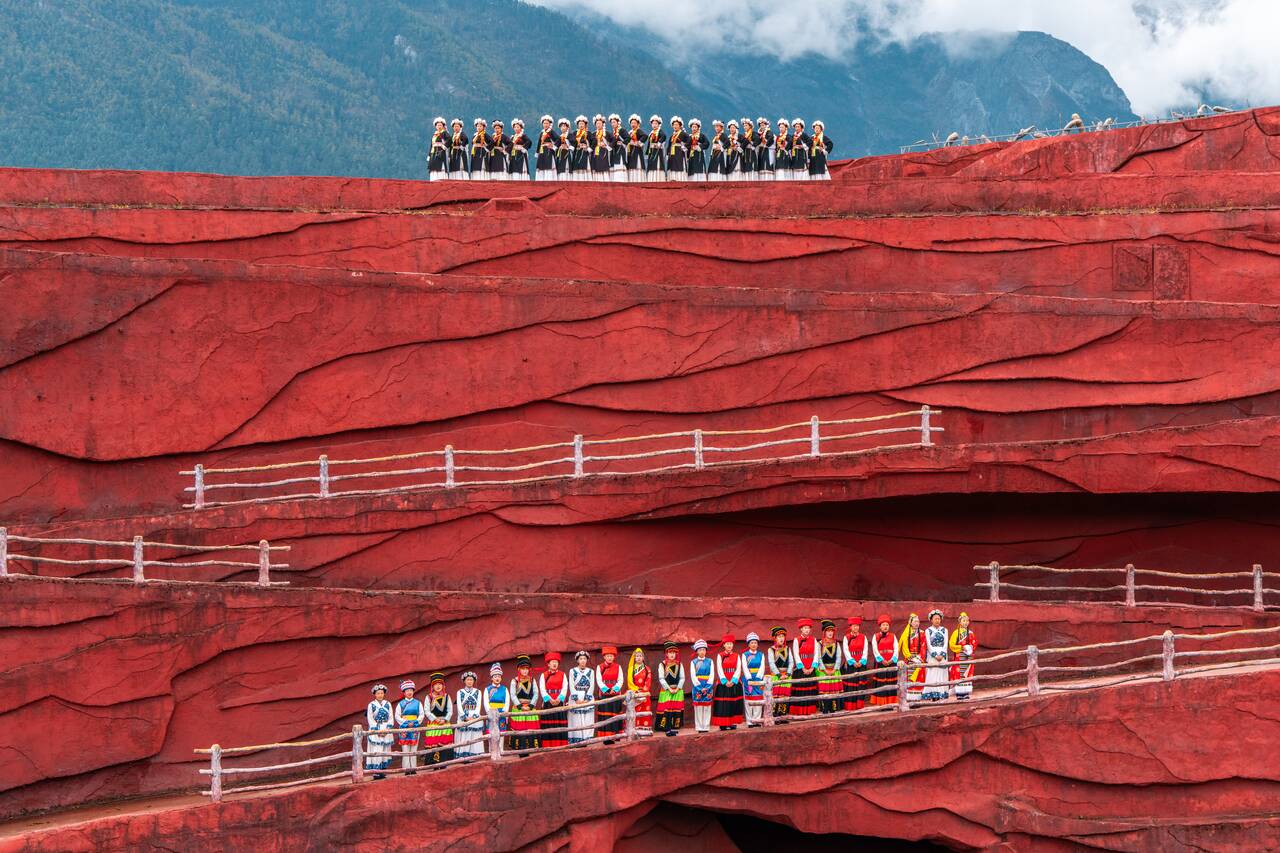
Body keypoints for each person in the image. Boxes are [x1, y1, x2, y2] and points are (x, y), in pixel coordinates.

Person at [712, 634, 745, 730]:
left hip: (734, 683)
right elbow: (719, 669)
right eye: (727, 644)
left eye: (731, 644)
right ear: (724, 645)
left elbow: (738, 669)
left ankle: (732, 722)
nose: (729, 646)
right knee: (723, 704)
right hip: (724, 684)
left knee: (734, 703)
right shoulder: (720, 656)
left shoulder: (737, 656)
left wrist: (734, 680)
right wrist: (725, 681)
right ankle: (723, 723)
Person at [508, 655, 541, 751]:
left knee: (531, 728)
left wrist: (531, 706)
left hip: (530, 708)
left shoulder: (532, 680)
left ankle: (532, 748)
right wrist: (520, 706)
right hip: (518, 709)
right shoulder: (514, 681)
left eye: (527, 668)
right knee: (520, 729)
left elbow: (536, 693)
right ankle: (520, 749)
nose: (525, 671)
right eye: (523, 669)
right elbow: (513, 695)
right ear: (519, 669)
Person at [421, 673, 454, 765]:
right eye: (436, 684)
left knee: (444, 742)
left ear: (443, 685)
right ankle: (434, 763)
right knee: (434, 743)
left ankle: (444, 762)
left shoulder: (447, 696)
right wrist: (435, 719)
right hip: (433, 725)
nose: (438, 686)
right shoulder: (429, 697)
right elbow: (427, 711)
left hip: (445, 724)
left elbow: (450, 710)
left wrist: (445, 719)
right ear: (432, 686)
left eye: (440, 684)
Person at [539, 651, 570, 748]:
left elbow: (565, 687)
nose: (554, 663)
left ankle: (561, 745)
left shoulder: (562, 674)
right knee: (549, 725)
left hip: (559, 702)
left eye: (556, 661)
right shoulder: (543, 675)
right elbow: (542, 689)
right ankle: (548, 745)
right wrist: (549, 699)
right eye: (552, 662)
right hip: (548, 703)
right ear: (548, 664)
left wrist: (560, 699)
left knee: (559, 724)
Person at [789, 618, 819, 717]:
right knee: (801, 690)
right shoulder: (796, 640)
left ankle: (809, 710)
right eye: (805, 628)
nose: (807, 630)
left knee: (810, 690)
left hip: (811, 668)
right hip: (801, 670)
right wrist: (802, 668)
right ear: (801, 629)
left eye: (808, 628)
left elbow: (816, 654)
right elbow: (796, 654)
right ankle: (800, 710)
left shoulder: (814, 640)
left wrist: (812, 667)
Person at [655, 641, 685, 736]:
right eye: (670, 652)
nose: (672, 655)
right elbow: (661, 678)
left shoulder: (679, 664)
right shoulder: (662, 664)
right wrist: (669, 688)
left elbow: (682, 677)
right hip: (666, 691)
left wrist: (678, 688)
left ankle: (673, 727)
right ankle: (667, 729)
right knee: (667, 709)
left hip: (677, 691)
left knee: (676, 709)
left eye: (673, 653)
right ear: (666, 653)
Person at [596, 645, 626, 739]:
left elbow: (621, 679)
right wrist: (607, 690)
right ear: (604, 656)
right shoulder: (599, 667)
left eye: (611, 656)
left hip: (616, 695)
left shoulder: (618, 667)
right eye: (607, 656)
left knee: (615, 714)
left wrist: (615, 689)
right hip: (604, 695)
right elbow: (599, 680)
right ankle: (606, 736)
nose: (609, 657)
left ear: (614, 657)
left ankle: (616, 735)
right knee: (606, 715)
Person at [842, 617, 871, 711]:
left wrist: (862, 661)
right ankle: (851, 706)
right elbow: (846, 651)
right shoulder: (846, 638)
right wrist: (853, 662)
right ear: (850, 627)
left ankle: (859, 705)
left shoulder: (863, 637)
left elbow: (865, 650)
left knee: (860, 684)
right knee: (851, 684)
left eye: (857, 626)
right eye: (854, 626)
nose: (856, 628)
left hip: (861, 664)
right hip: (851, 665)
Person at [394, 679, 423, 774]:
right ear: (404, 692)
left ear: (413, 691)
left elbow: (421, 715)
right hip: (404, 728)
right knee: (405, 749)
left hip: (414, 727)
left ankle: (413, 769)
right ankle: (406, 769)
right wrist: (406, 723)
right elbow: (397, 716)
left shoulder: (418, 703)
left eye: (411, 690)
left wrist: (414, 722)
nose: (409, 692)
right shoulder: (400, 704)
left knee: (414, 749)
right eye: (407, 691)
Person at [365, 683, 394, 779]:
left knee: (385, 750)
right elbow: (370, 718)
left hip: (386, 728)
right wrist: (377, 730)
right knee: (376, 750)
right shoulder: (371, 705)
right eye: (378, 693)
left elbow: (391, 717)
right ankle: (376, 772)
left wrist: (386, 729)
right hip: (376, 730)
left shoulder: (388, 704)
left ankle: (383, 770)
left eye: (382, 693)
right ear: (375, 694)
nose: (380, 695)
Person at [567, 650, 596, 744]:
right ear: (577, 660)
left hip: (587, 696)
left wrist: (587, 698)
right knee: (576, 719)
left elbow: (592, 685)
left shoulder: (591, 672)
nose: (583, 660)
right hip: (576, 697)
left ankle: (587, 738)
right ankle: (576, 739)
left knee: (588, 718)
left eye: (584, 659)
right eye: (581, 659)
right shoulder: (572, 671)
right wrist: (576, 699)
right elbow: (571, 684)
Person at [870, 614, 899, 706]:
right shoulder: (876, 636)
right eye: (883, 625)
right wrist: (881, 660)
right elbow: (875, 649)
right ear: (880, 626)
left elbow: (896, 648)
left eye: (887, 625)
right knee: (881, 683)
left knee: (891, 682)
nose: (885, 627)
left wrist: (892, 659)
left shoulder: (893, 636)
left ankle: (892, 702)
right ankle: (882, 703)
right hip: (881, 663)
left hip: (891, 662)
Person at [455, 671, 486, 757]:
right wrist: (464, 717)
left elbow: (479, 704)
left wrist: (474, 716)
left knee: (474, 735)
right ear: (464, 681)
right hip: (464, 716)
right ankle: (463, 754)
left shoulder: (478, 692)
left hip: (474, 716)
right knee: (465, 735)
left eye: (471, 680)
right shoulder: (460, 692)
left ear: (474, 681)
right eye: (468, 680)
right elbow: (459, 706)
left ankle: (474, 754)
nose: (469, 681)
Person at [923, 609, 951, 701]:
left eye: (939, 619)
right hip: (932, 655)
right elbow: (928, 644)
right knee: (933, 674)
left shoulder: (944, 630)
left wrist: (942, 654)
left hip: (942, 655)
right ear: (931, 620)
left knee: (942, 674)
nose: (937, 620)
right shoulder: (928, 630)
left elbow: (946, 642)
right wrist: (935, 655)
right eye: (935, 619)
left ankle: (942, 693)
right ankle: (933, 694)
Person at [949, 612, 978, 700]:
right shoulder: (956, 633)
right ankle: (959, 693)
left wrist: (970, 648)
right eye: (963, 620)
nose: (965, 622)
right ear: (960, 622)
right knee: (959, 674)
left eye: (967, 621)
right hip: (959, 656)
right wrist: (961, 647)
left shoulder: (971, 633)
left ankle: (965, 692)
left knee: (967, 674)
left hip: (968, 657)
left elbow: (975, 643)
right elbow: (951, 644)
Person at [817, 619, 844, 714]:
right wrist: (825, 670)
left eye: (832, 631)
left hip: (834, 670)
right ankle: (825, 709)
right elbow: (818, 658)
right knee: (825, 691)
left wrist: (835, 669)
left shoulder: (836, 644)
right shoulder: (819, 644)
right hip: (823, 671)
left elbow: (838, 657)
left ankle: (833, 708)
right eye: (828, 631)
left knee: (833, 690)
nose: (830, 633)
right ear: (824, 632)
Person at [741, 632, 767, 726]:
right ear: (748, 644)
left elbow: (762, 666)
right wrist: (749, 679)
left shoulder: (761, 655)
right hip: (748, 680)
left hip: (758, 679)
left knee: (758, 699)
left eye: (755, 642)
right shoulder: (745, 655)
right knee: (748, 700)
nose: (754, 644)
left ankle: (757, 719)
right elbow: (744, 667)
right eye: (752, 642)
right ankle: (750, 721)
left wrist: (758, 678)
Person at [689, 639, 715, 733]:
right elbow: (693, 676)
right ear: (696, 651)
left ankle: (706, 726)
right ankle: (699, 726)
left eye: (704, 649)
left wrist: (708, 686)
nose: (702, 652)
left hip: (708, 685)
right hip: (697, 687)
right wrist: (699, 687)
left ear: (706, 651)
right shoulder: (693, 662)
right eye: (700, 650)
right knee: (699, 707)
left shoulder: (710, 661)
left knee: (707, 707)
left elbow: (712, 674)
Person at [767, 626, 792, 719]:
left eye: (783, 636)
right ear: (775, 638)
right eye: (779, 636)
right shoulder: (771, 650)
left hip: (786, 676)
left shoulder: (788, 649)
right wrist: (779, 674)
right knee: (776, 696)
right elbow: (771, 663)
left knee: (785, 696)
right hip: (776, 676)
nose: (781, 638)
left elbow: (791, 662)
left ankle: (783, 715)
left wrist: (788, 674)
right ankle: (775, 716)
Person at [900, 613, 925, 703]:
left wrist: (919, 657)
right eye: (915, 621)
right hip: (910, 659)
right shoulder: (906, 633)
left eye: (918, 621)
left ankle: (917, 699)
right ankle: (910, 698)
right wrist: (910, 656)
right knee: (909, 677)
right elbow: (904, 647)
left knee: (919, 677)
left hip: (919, 658)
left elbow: (923, 646)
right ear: (910, 623)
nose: (917, 623)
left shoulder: (922, 633)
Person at [626, 647, 653, 733]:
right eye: (637, 656)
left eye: (640, 656)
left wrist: (644, 691)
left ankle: (645, 729)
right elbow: (629, 682)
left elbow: (648, 680)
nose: (638, 658)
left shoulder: (647, 669)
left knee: (645, 711)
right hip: (635, 693)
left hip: (644, 694)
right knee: (635, 711)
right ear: (634, 658)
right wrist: (636, 690)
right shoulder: (631, 669)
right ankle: (635, 729)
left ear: (643, 658)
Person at [483, 663, 510, 744]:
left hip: (501, 713)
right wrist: (489, 712)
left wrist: (504, 712)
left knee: (501, 732)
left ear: (501, 678)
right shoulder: (487, 689)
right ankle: (492, 750)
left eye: (499, 676)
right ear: (492, 678)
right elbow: (486, 702)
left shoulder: (504, 689)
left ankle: (501, 750)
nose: (497, 678)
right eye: (495, 677)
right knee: (491, 733)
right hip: (491, 713)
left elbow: (507, 702)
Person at [534, 115, 559, 181]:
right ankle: (541, 179)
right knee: (541, 164)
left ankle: (549, 179)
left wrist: (553, 146)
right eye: (544, 123)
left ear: (550, 124)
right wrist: (537, 152)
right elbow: (539, 143)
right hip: (542, 151)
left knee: (548, 164)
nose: (545, 124)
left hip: (549, 151)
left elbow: (558, 139)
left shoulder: (551, 131)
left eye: (547, 123)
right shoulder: (542, 132)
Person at [589, 114, 612, 182]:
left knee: (604, 166)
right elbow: (591, 144)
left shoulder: (607, 133)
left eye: (600, 123)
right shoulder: (593, 134)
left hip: (604, 152)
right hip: (596, 152)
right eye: (597, 123)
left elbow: (613, 140)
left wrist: (607, 145)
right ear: (595, 125)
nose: (598, 125)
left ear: (603, 124)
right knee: (595, 165)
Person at [623, 114, 646, 182]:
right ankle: (632, 179)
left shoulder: (638, 130)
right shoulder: (630, 132)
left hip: (637, 150)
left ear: (638, 124)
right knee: (631, 163)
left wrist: (639, 142)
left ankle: (638, 179)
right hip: (630, 150)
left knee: (637, 163)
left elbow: (645, 136)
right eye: (632, 123)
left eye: (634, 123)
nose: (633, 124)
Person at [644, 115, 666, 181]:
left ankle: (659, 179)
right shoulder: (651, 133)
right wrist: (647, 152)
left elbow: (664, 136)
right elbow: (649, 143)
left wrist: (659, 142)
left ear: (659, 124)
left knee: (657, 163)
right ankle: (651, 179)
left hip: (657, 151)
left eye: (656, 123)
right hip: (651, 151)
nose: (654, 125)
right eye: (653, 123)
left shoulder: (660, 131)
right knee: (651, 164)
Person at [666, 116, 688, 182]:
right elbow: (669, 145)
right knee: (672, 164)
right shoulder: (672, 136)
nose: (675, 126)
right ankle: (673, 178)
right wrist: (667, 154)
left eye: (677, 125)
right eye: (674, 125)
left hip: (679, 152)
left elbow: (689, 140)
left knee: (679, 164)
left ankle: (680, 179)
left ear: (680, 126)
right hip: (672, 152)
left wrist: (684, 146)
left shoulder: (683, 133)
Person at [569, 115, 591, 181]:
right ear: (577, 125)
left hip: (584, 152)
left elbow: (593, 141)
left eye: (582, 124)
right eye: (579, 124)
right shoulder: (575, 133)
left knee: (584, 165)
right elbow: (571, 140)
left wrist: (587, 146)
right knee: (576, 166)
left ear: (585, 125)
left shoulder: (588, 133)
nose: (581, 125)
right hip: (577, 152)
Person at [608, 113, 627, 181]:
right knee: (614, 164)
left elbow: (628, 138)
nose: (612, 124)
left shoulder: (622, 130)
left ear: (618, 122)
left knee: (619, 164)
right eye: (611, 122)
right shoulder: (612, 132)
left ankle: (621, 180)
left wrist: (622, 142)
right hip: (614, 151)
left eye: (614, 122)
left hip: (620, 150)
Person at [755, 116, 774, 180]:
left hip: (767, 150)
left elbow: (771, 139)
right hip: (761, 150)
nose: (762, 126)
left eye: (763, 125)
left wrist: (765, 142)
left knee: (767, 163)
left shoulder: (769, 132)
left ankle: (768, 179)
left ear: (766, 125)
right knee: (761, 163)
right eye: (760, 125)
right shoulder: (759, 133)